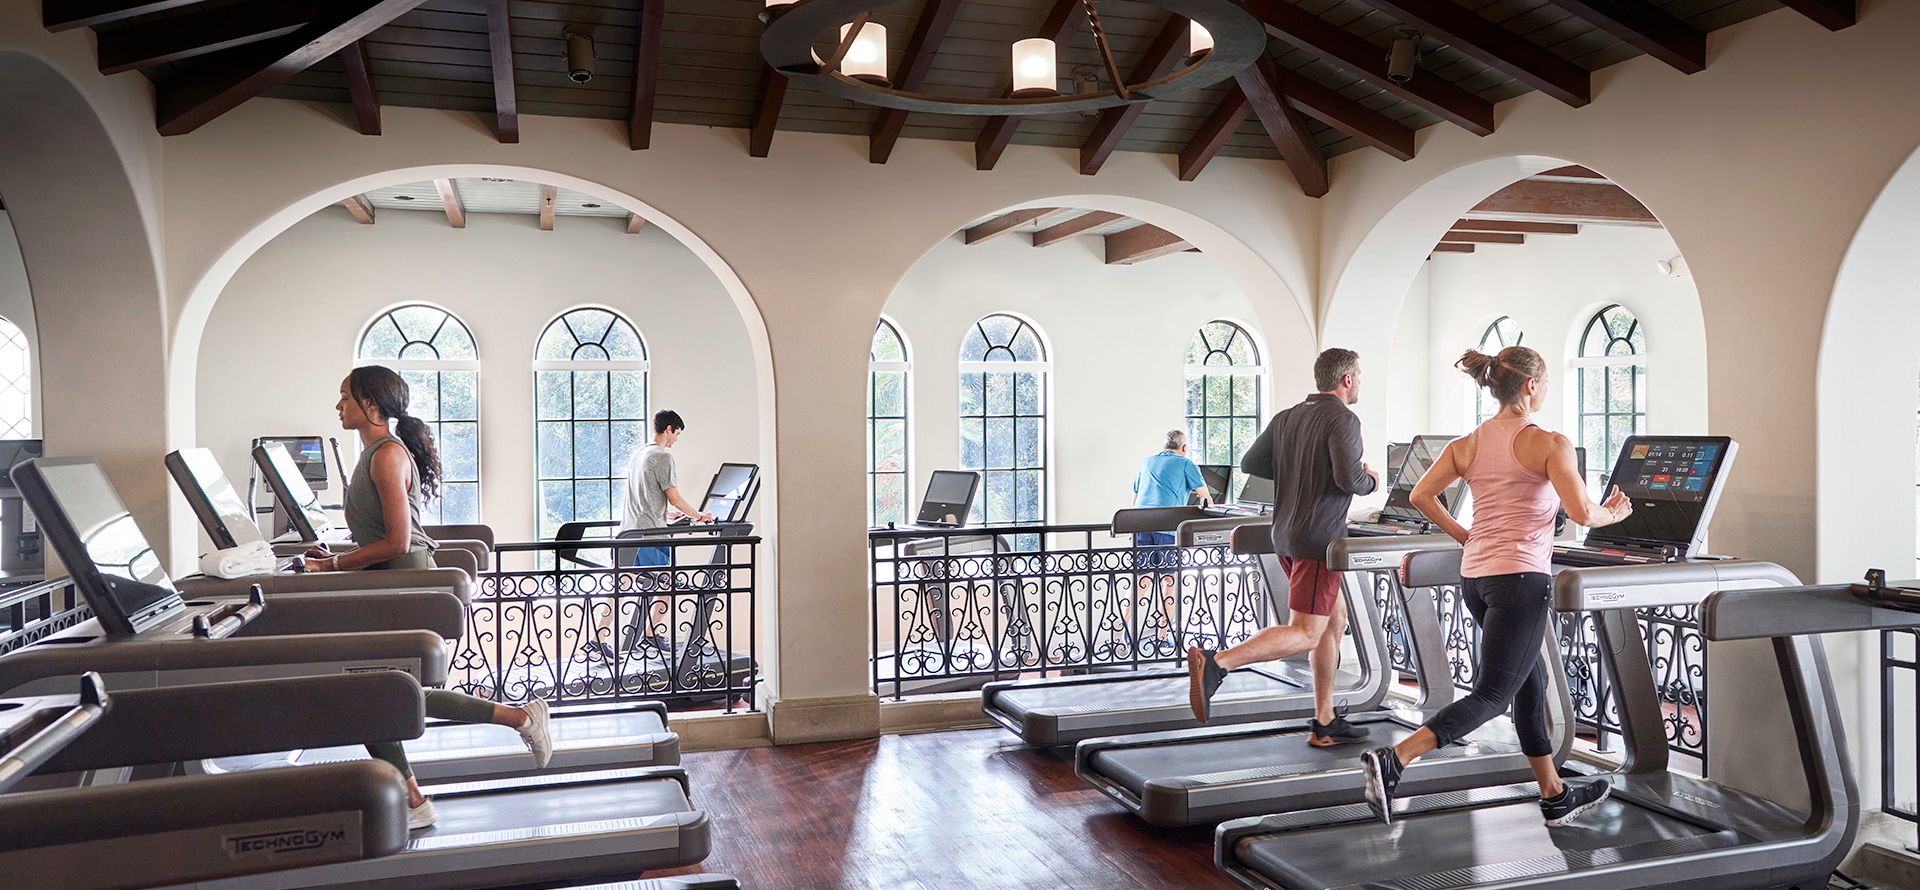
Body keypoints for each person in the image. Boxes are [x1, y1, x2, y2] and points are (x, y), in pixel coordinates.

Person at [1357, 346, 1631, 828]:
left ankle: (1553, 793)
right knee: (1493, 694)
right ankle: (1396, 759)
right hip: (1520, 579)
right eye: (1544, 383)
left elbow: (1421, 494)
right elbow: (1585, 513)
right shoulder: (1549, 443)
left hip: (1477, 577)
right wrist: (1617, 513)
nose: (1545, 390)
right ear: (1529, 386)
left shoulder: (1467, 443)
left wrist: (1466, 535)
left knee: (1531, 682)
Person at [305, 365, 553, 831]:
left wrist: (333, 565)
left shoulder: (386, 456)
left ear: (371, 406)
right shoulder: (375, 454)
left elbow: (399, 542)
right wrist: (334, 553)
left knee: (377, 694)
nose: (338, 406)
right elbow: (381, 534)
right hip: (392, 583)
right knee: (379, 694)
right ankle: (426, 788)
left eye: (345, 398)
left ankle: (513, 724)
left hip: (406, 584)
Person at [1186, 348, 1380, 748]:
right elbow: (1348, 480)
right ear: (1345, 380)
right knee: (1307, 632)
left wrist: (1300, 465)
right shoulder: (1343, 418)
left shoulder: (1288, 416)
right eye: (1358, 375)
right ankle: (1217, 664)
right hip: (1318, 540)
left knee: (1332, 618)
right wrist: (1372, 481)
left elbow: (1250, 463)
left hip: (1286, 535)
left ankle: (1324, 721)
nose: (1360, 381)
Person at [592, 410, 714, 661]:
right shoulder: (662, 457)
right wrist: (699, 516)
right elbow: (675, 497)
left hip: (629, 532)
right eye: (677, 434)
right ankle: (650, 634)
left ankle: (597, 639)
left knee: (620, 585)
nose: (676, 440)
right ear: (669, 429)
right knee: (668, 582)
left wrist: (666, 516)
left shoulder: (639, 455)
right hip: (649, 535)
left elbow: (648, 496)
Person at [1130, 429, 1212, 653]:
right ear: (1184, 448)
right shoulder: (1187, 464)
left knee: (1141, 581)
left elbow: (1134, 497)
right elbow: (1206, 498)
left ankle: (1124, 633)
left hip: (1139, 525)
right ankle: (1162, 636)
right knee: (1170, 581)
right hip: (1167, 528)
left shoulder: (1147, 462)